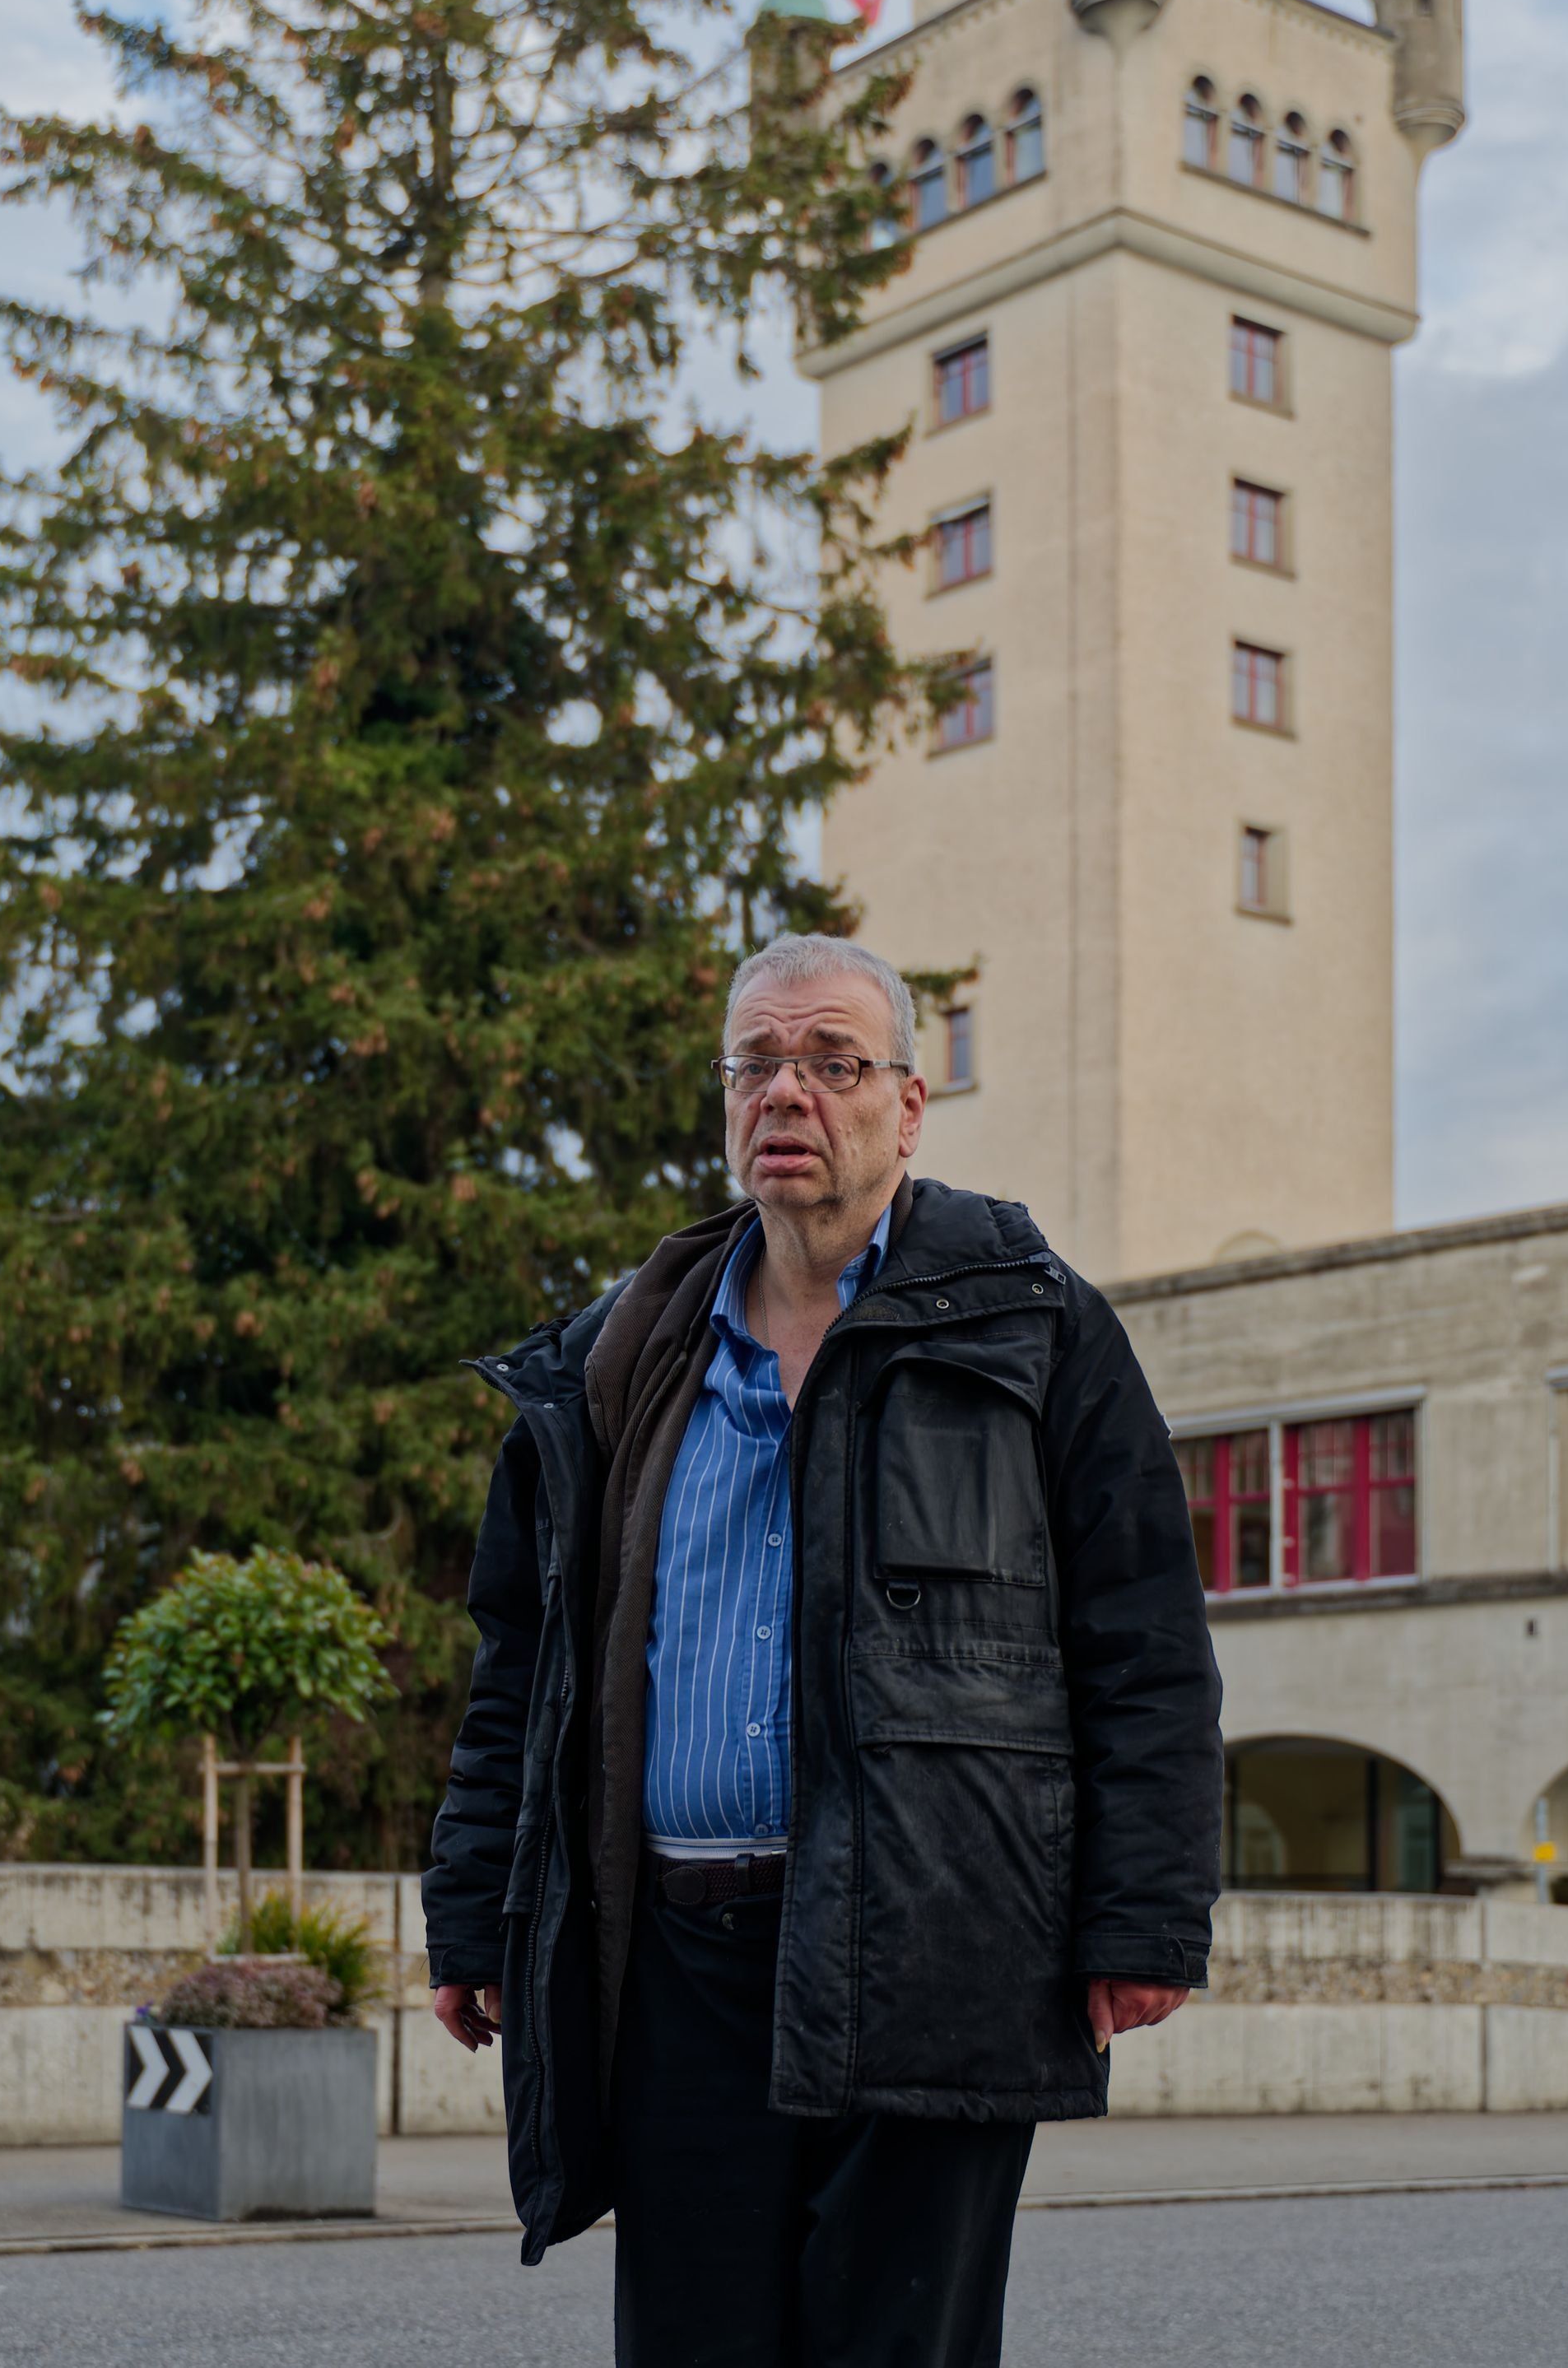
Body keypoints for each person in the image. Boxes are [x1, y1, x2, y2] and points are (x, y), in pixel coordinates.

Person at [421, 933, 1220, 2367]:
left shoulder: (1036, 1323)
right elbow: (526, 1668)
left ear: (908, 1106)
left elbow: (1143, 1636)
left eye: (834, 1062)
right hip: (675, 1963)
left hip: (940, 1938)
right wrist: (478, 1906)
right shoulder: (623, 1353)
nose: (788, 1091)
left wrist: (1144, 1917)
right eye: (757, 1064)